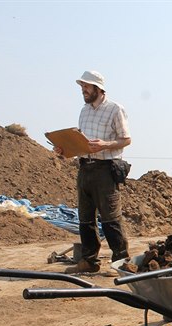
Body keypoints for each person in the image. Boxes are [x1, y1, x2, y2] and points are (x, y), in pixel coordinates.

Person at [56, 70, 132, 273]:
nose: (83, 90)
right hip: (84, 169)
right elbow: (82, 143)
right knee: (85, 218)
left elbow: (126, 139)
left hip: (106, 170)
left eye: (86, 87)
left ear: (98, 88)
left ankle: (122, 262)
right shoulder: (84, 111)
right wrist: (66, 149)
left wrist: (105, 144)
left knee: (110, 218)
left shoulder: (115, 109)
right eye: (82, 87)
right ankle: (89, 262)